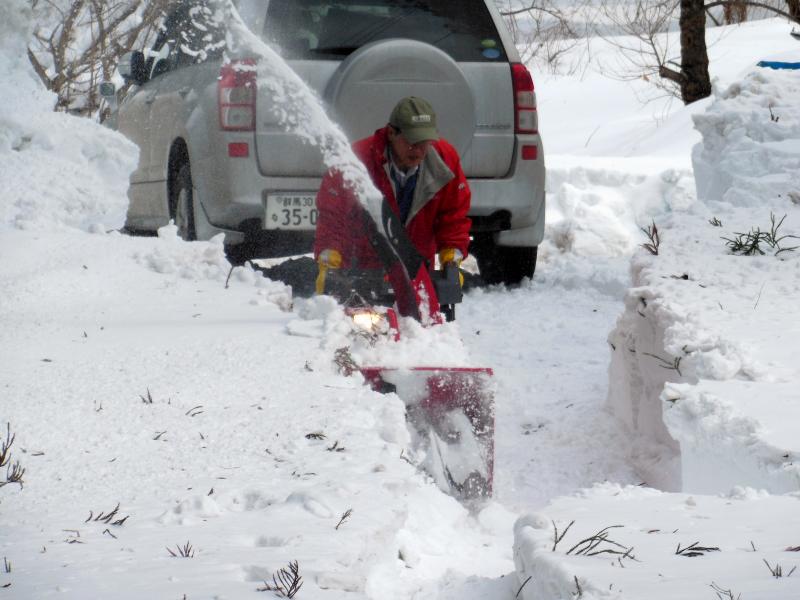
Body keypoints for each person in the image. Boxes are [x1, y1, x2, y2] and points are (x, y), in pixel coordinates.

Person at [314, 96, 471, 301]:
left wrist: (452, 258)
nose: (419, 151)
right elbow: (333, 217)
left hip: (419, 275)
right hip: (361, 273)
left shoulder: (445, 161)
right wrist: (329, 258)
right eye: (412, 142)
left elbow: (453, 216)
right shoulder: (356, 161)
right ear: (391, 133)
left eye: (425, 143)